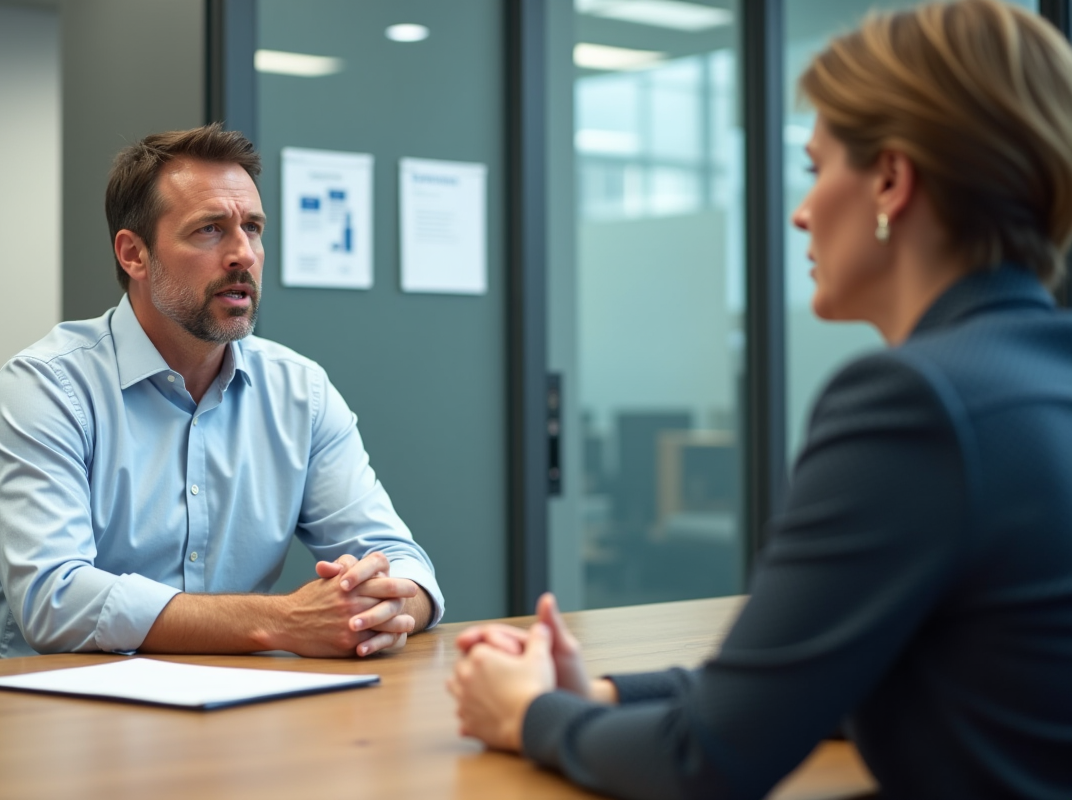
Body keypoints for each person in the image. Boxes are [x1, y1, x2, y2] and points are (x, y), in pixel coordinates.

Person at [448, 1, 1072, 797]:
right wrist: (599, 695)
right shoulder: (1038, 377)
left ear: (889, 179)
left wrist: (528, 717)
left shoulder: (916, 405)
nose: (800, 212)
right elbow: (826, 681)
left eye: (815, 170)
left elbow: (705, 759)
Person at [0, 124, 442, 660]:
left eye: (253, 227)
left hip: (232, 711)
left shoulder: (300, 392)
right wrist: (283, 622)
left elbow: (400, 559)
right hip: (51, 717)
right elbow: (54, 600)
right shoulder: (47, 387)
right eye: (210, 230)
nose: (243, 253)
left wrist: (378, 606)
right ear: (134, 255)